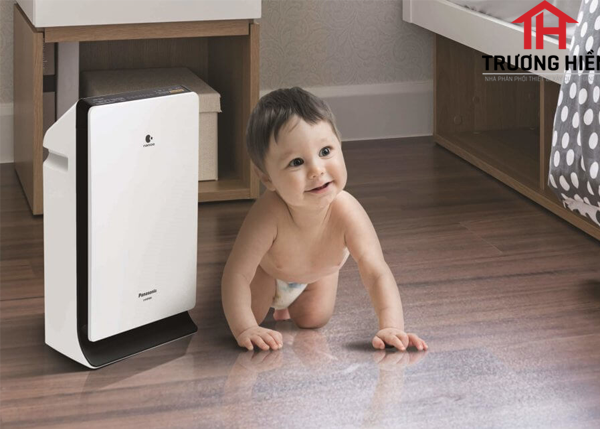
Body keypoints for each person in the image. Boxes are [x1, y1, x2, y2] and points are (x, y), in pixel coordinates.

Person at [221, 87, 428, 352]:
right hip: (268, 272)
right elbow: (237, 274)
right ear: (267, 178)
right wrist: (245, 328)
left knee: (313, 319)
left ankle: (293, 305)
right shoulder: (267, 215)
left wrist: (392, 326)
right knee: (250, 314)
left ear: (340, 146)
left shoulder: (347, 212)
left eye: (326, 151)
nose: (316, 170)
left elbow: (376, 272)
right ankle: (267, 307)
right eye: (297, 162)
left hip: (317, 276)